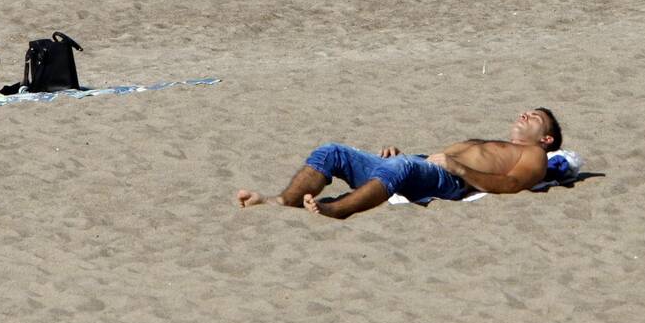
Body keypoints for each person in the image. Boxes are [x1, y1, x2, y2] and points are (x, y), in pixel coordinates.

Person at [236, 108, 562, 219]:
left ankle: (337, 209)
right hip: (420, 167)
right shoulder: (497, 145)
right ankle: (281, 201)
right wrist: (400, 156)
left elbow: (512, 185)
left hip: (450, 180)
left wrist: (459, 168)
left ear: (546, 139)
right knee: (331, 151)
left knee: (402, 167)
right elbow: (424, 164)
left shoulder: (533, 155)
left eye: (534, 117)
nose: (524, 115)